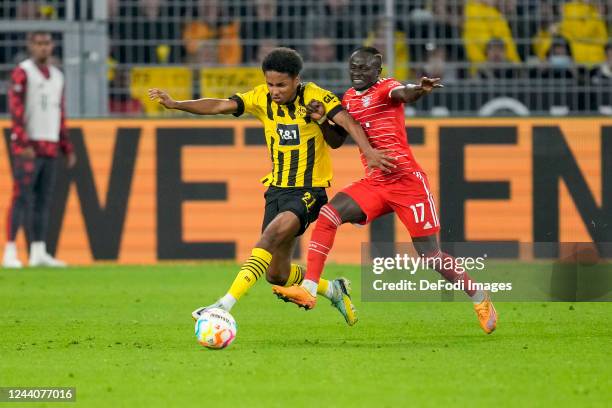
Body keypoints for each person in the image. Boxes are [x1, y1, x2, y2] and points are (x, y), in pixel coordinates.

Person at [148, 47, 394, 325]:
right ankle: (333, 289)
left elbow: (346, 122)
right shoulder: (260, 98)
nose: (274, 90)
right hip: (276, 190)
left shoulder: (314, 96)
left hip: (309, 191)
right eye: (270, 84)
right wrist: (176, 104)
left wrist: (369, 152)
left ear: (296, 80)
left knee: (269, 236)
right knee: (276, 274)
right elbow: (218, 105)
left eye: (281, 85)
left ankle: (222, 305)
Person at [272, 47, 498, 335]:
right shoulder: (349, 99)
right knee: (329, 214)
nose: (357, 72)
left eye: (364, 68)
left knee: (431, 256)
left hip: (407, 183)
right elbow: (336, 141)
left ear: (377, 71)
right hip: (377, 183)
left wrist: (419, 89)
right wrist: (320, 120)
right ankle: (309, 289)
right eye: (353, 67)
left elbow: (403, 93)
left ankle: (480, 297)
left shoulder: (385, 88)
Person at [2, 32, 76, 269]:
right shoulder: (23, 72)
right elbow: (15, 108)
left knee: (44, 200)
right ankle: (10, 250)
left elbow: (59, 112)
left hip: (50, 144)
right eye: (38, 43)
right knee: (21, 197)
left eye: (46, 43)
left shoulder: (57, 76)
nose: (43, 48)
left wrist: (66, 145)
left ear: (52, 46)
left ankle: (38, 251)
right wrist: (21, 142)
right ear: (30, 46)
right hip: (29, 147)